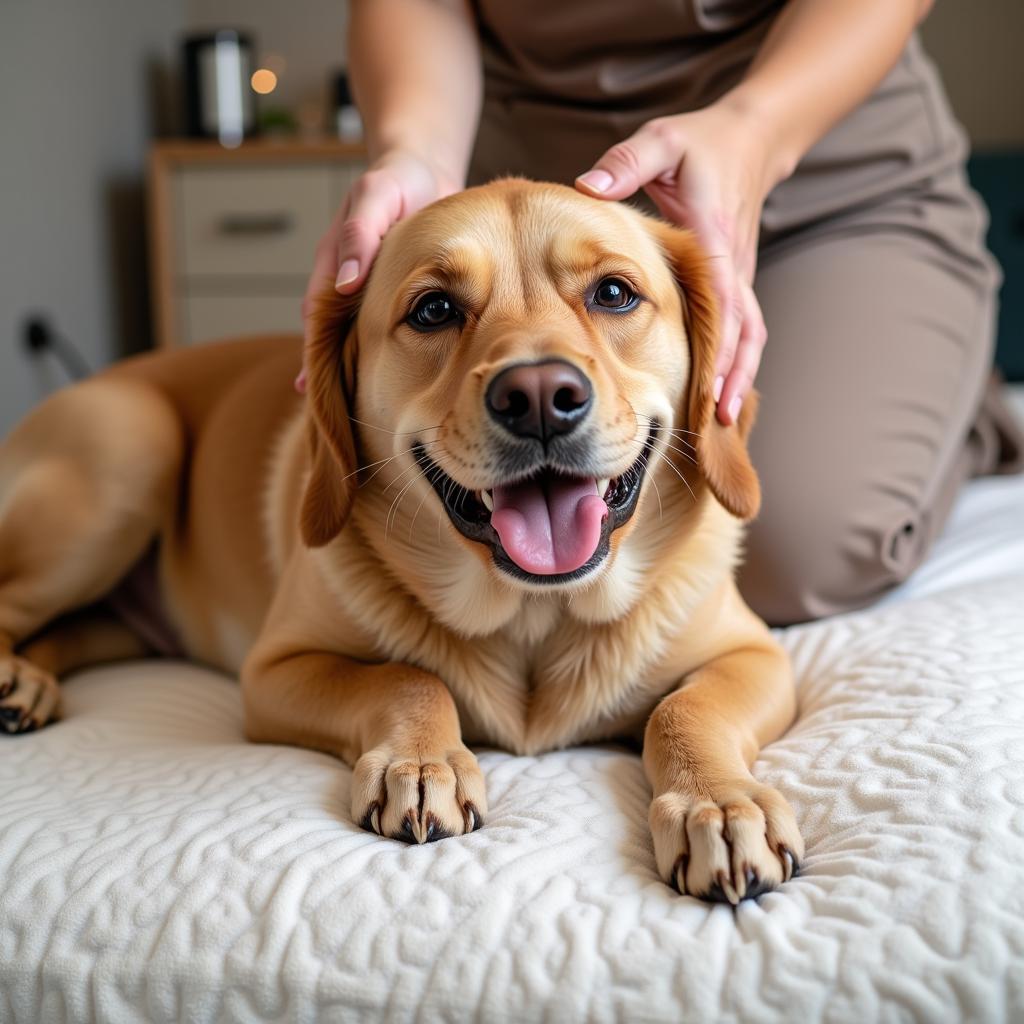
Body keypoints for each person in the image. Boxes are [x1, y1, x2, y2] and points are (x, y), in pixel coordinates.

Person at [303, 0, 1022, 626]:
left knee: (792, 551)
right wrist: (417, 152)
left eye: (610, 292)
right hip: (538, 196)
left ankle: (955, 406)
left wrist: (754, 128)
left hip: (835, 184)